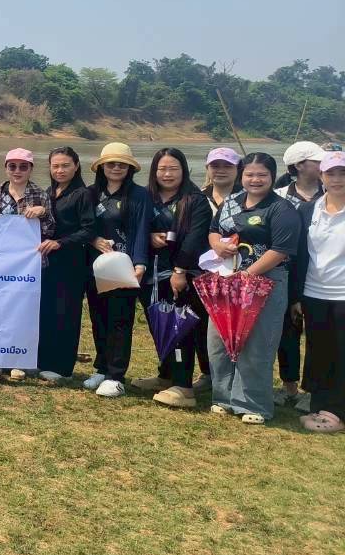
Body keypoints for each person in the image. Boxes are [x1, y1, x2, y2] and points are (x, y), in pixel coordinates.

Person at [206, 152, 299, 425]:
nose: (255, 179)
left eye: (262, 175)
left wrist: (247, 274)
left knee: (258, 343)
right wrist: (217, 244)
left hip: (265, 282)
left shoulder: (281, 209)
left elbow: (280, 250)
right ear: (241, 175)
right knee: (221, 339)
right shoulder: (232, 201)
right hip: (226, 280)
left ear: (272, 176)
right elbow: (214, 229)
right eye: (249, 174)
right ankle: (223, 397)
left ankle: (253, 404)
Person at [129, 148, 212, 408]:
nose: (167, 174)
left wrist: (180, 271)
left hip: (181, 275)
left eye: (173, 169)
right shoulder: (146, 197)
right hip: (151, 275)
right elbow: (134, 227)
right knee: (159, 326)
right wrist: (149, 236)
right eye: (162, 169)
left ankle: (184, 386)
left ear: (183, 170)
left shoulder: (195, 200)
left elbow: (195, 239)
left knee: (179, 328)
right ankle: (165, 375)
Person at [0, 149, 54, 381]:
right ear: (6, 168)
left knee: (23, 313)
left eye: (23, 166)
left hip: (29, 268)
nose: (17, 171)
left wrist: (43, 213)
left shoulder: (41, 195)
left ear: (31, 169)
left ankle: (19, 360)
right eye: (12, 166)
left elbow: (50, 231)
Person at [82, 142, 150, 399]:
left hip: (124, 266)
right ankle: (101, 368)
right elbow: (82, 226)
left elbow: (142, 229)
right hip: (96, 265)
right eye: (111, 163)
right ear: (102, 167)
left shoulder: (139, 195)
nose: (116, 168)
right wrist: (93, 240)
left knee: (120, 320)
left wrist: (140, 262)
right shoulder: (91, 193)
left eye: (122, 164)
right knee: (98, 317)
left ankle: (116, 376)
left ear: (130, 168)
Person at [290, 151, 345, 433]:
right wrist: (296, 296)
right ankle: (320, 406)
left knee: (342, 352)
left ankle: (338, 413)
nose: (337, 179)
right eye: (330, 173)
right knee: (318, 351)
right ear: (321, 176)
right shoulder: (308, 210)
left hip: (342, 293)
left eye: (343, 173)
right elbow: (301, 254)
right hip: (314, 291)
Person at [36, 147, 96, 382]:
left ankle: (63, 367)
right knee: (47, 311)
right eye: (55, 166)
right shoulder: (48, 193)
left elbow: (88, 230)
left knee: (66, 313)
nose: (60, 170)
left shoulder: (82, 194)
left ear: (76, 166)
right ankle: (43, 361)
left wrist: (60, 243)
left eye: (65, 165)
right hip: (47, 263)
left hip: (71, 263)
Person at [272, 141, 325, 405]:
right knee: (288, 331)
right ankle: (289, 386)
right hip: (287, 271)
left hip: (323, 274)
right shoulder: (278, 196)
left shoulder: (333, 192)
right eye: (318, 161)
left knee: (320, 334)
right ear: (300, 165)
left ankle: (316, 390)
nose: (324, 166)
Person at [195, 145, 241, 395]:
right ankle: (208, 373)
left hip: (237, 273)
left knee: (236, 326)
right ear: (208, 168)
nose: (220, 170)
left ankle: (236, 377)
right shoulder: (197, 196)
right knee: (204, 325)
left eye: (227, 166)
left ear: (237, 169)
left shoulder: (248, 196)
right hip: (203, 273)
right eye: (215, 166)